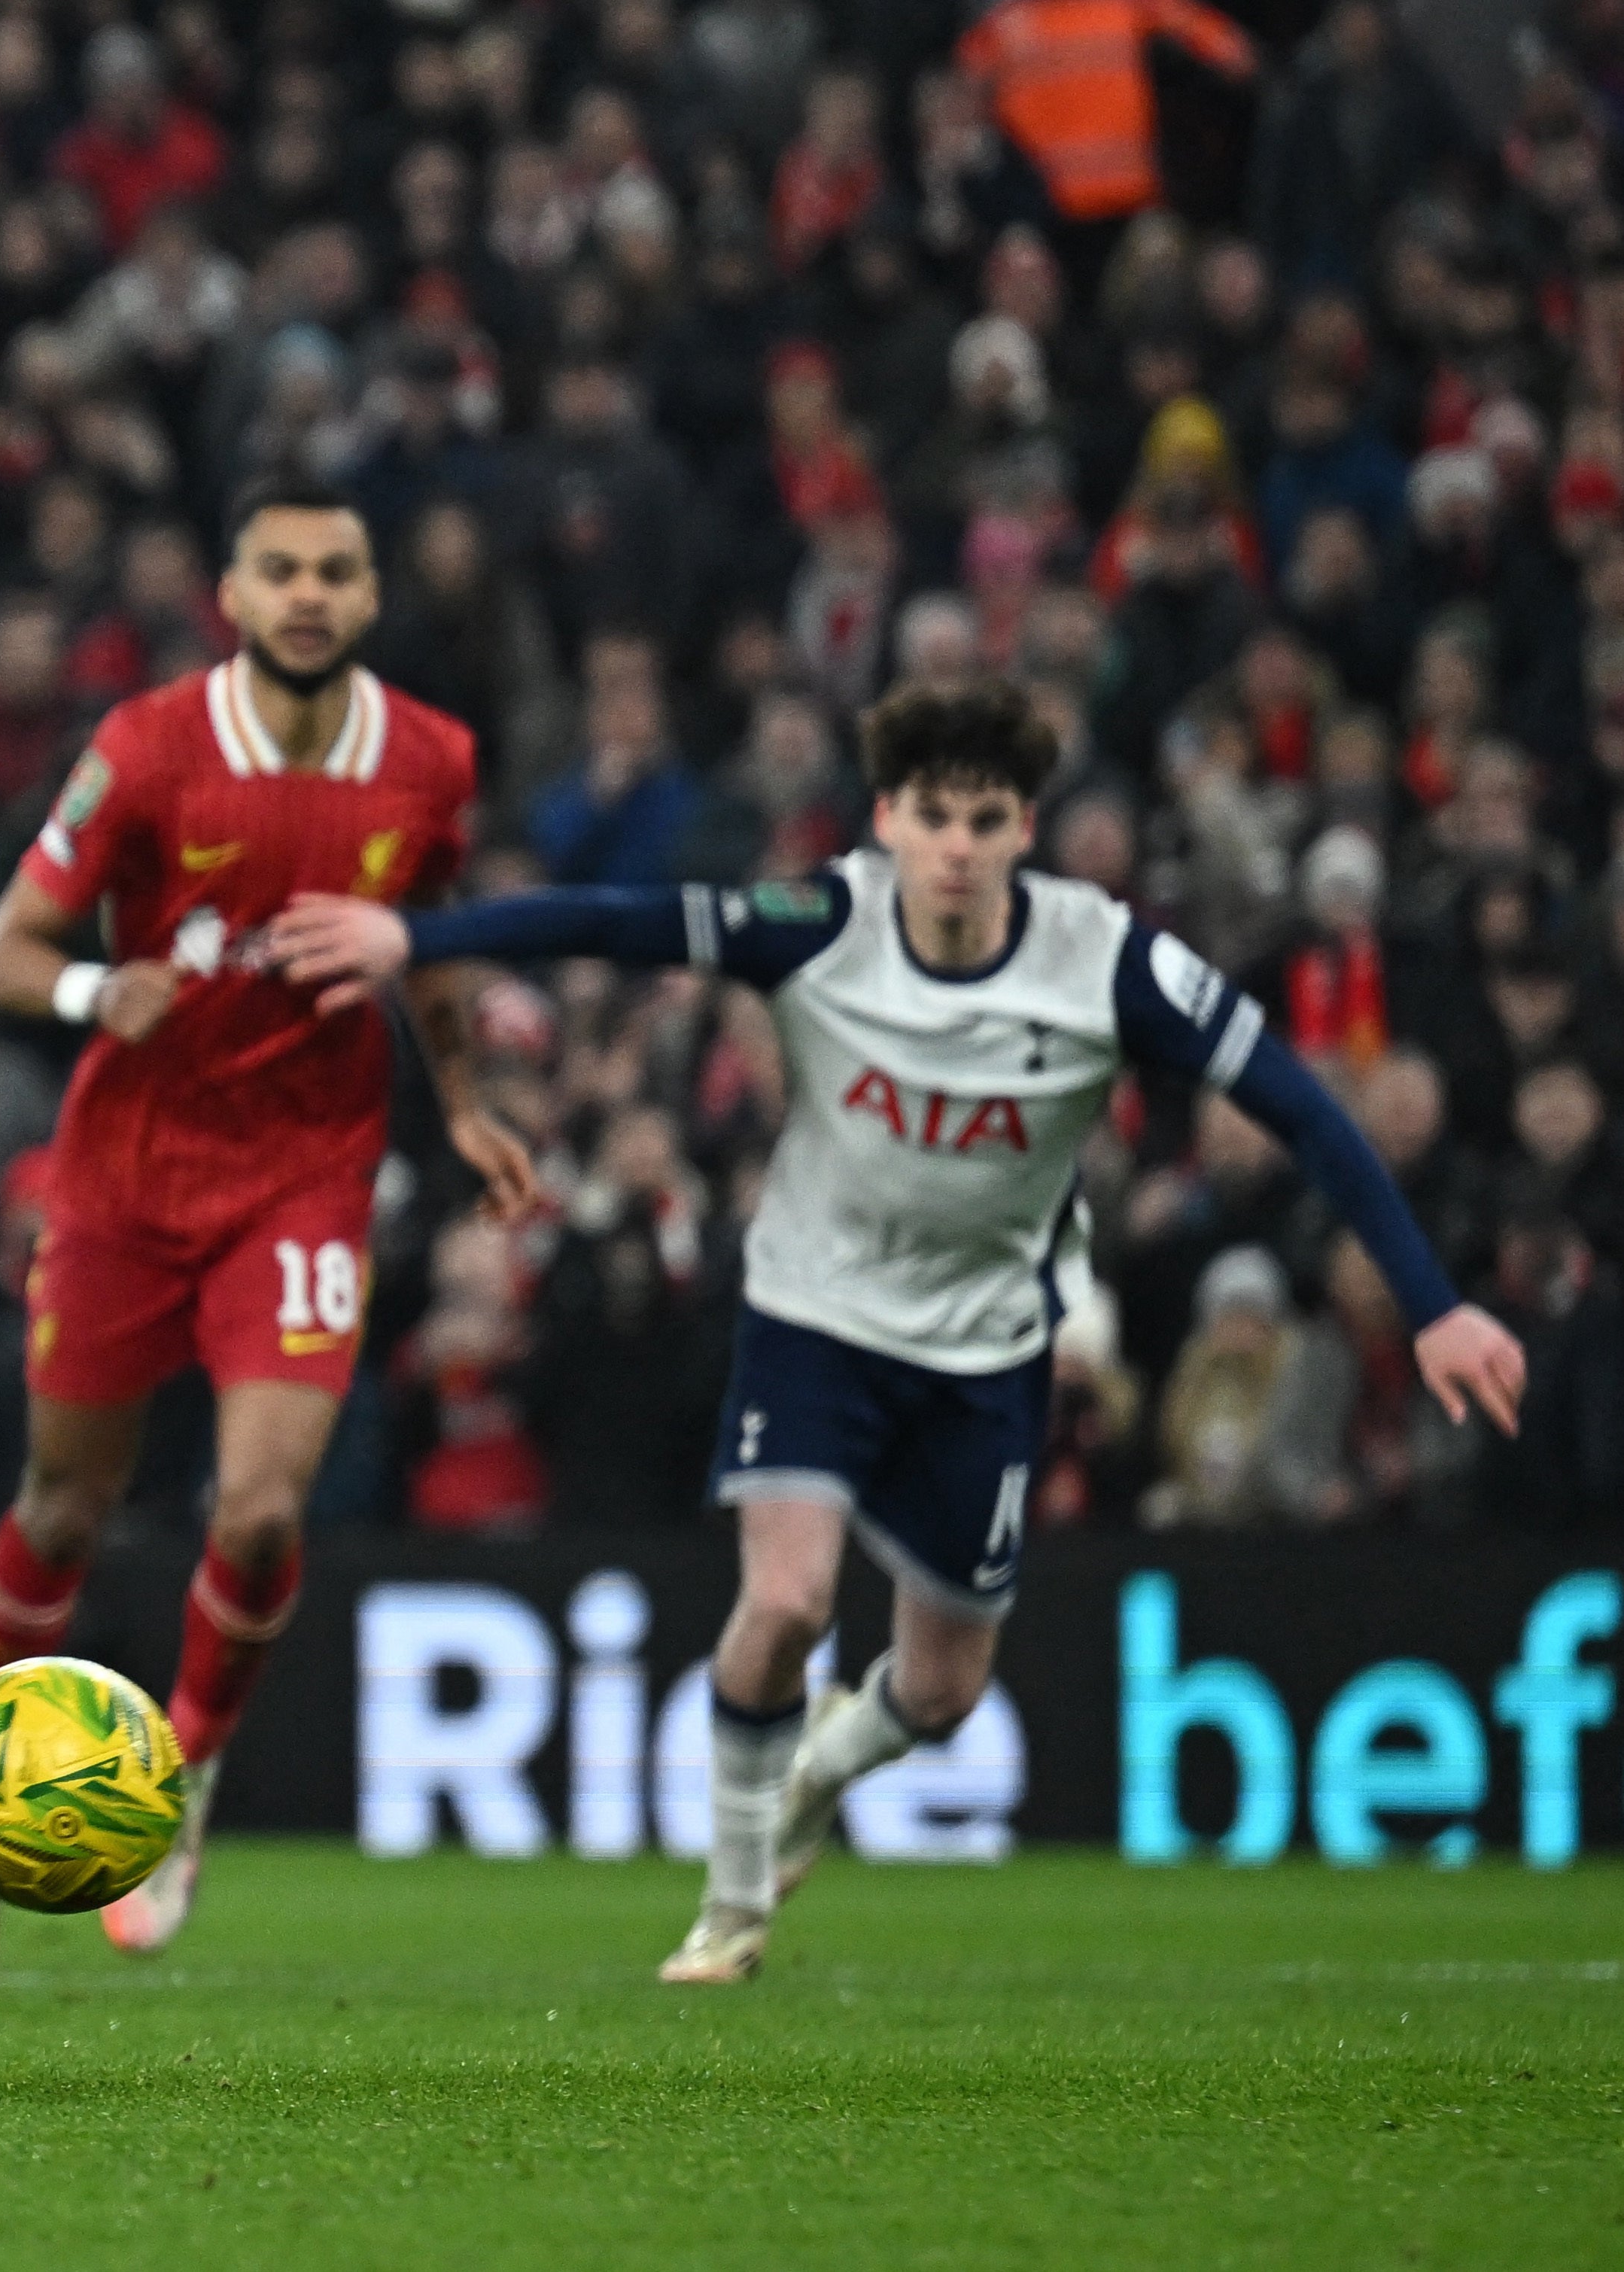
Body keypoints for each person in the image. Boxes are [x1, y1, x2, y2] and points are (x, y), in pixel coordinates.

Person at [265, 678, 1529, 1984]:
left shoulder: (1109, 960)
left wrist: (1430, 1307)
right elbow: (616, 922)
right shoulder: (820, 919)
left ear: (1023, 828)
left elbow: (1304, 1109)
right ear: (886, 819)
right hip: (814, 1318)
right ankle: (732, 1906)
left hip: (985, 1352)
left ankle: (820, 1760)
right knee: (786, 1600)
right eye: (932, 818)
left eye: (985, 821)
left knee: (937, 1694)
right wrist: (414, 938)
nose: (957, 848)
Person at [0, 482, 535, 1978]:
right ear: (235, 596)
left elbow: (429, 951)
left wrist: (459, 1100)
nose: (309, 592)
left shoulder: (433, 761)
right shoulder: (147, 745)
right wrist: (88, 994)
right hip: (125, 1172)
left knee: (258, 1508)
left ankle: (181, 1773)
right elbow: (4, 949)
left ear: (369, 595)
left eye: (337, 569)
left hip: (304, 1170)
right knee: (63, 1506)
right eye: (282, 570)